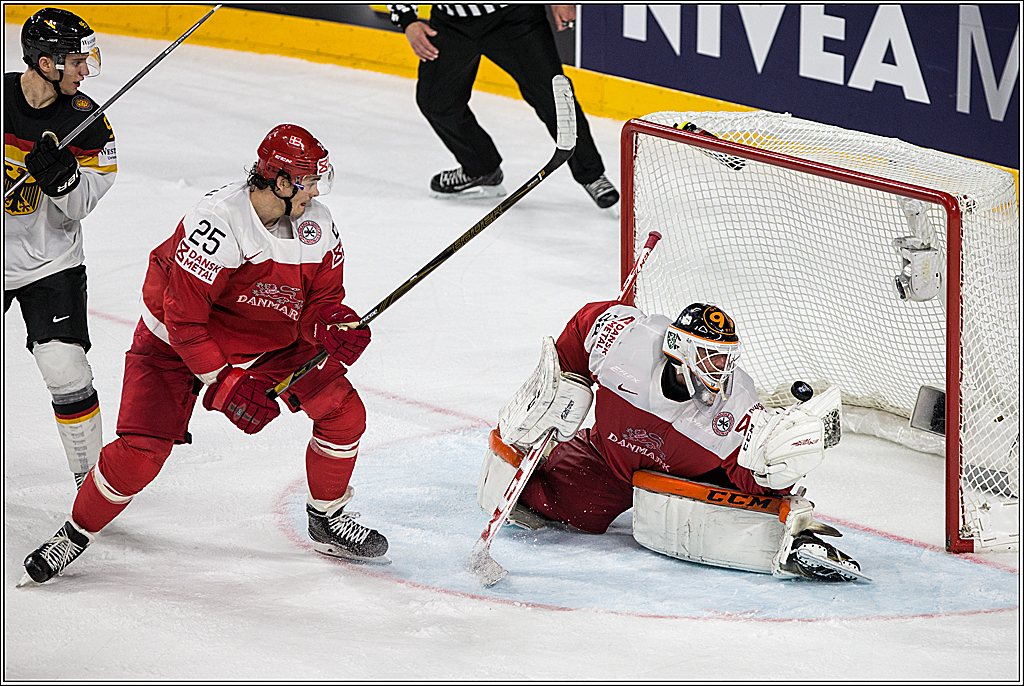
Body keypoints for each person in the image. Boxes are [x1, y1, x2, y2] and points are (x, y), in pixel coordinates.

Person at [21, 124, 389, 585]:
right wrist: (225, 382)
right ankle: (74, 534)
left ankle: (326, 518)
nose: (316, 191)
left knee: (343, 412)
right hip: (172, 345)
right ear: (279, 181)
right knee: (140, 454)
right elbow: (185, 323)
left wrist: (329, 326)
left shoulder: (318, 223)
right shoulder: (217, 222)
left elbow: (322, 300)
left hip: (266, 338)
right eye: (309, 181)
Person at [478, 299, 866, 582]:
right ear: (679, 348)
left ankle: (801, 541)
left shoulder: (737, 404)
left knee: (752, 502)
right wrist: (568, 377)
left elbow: (749, 475)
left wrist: (777, 471)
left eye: (726, 358)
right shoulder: (625, 342)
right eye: (711, 357)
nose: (722, 370)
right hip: (607, 459)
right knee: (541, 502)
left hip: (689, 478)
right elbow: (583, 328)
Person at [4, 8, 116, 489]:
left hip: (50, 262)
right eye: (76, 60)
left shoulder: (88, 122)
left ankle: (93, 485)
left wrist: (63, 179)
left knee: (65, 366)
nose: (86, 70)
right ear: (46, 62)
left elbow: (83, 201)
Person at [388, 4, 619, 209]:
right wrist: (407, 19)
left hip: (514, 17)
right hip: (451, 22)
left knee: (552, 96)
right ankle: (481, 168)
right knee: (436, 101)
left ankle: (592, 175)